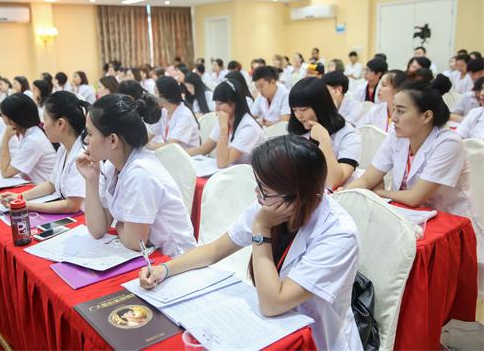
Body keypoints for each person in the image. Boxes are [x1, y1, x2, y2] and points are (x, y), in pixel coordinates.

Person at [139, 135, 362, 351]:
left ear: (298, 195)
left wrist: (261, 229)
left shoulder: (338, 234)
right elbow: (214, 250)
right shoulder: (272, 205)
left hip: (313, 339)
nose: (257, 193)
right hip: (272, 327)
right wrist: (164, 269)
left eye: (264, 188)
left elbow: (273, 303)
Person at [76, 93, 197, 257]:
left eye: (90, 134)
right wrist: (91, 180)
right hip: (150, 256)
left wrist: (119, 224)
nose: (86, 140)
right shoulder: (112, 166)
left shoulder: (139, 173)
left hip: (175, 259)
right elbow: (97, 230)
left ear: (113, 140)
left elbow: (135, 242)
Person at [346, 79, 477, 219]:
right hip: (406, 214)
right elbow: (367, 179)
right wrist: (344, 194)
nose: (394, 118)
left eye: (401, 111)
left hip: (450, 218)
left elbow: (414, 198)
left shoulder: (449, 143)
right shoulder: (397, 135)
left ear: (426, 116)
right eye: (394, 109)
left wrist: (379, 193)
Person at [0, 92, 87, 213]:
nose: (43, 125)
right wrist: (20, 197)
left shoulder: (81, 154)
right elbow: (51, 184)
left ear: (60, 123)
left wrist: (27, 205)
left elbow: (72, 205)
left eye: (45, 119)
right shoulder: (63, 148)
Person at [288, 77, 361, 189]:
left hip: (338, 196)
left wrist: (324, 141)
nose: (299, 116)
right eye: (294, 110)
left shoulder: (348, 134)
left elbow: (334, 182)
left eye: (303, 109)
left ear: (320, 106)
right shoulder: (297, 131)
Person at [0, 93, 55, 180]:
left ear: (12, 119)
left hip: (41, 186)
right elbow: (12, 164)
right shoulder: (28, 133)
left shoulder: (32, 141)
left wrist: (6, 138)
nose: (1, 117)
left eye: (2, 115)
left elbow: (5, 172)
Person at [188, 79, 264, 167]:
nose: (216, 108)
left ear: (235, 103)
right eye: (216, 103)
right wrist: (179, 154)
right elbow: (204, 149)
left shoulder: (249, 127)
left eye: (220, 103)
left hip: (249, 173)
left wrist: (224, 129)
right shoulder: (227, 120)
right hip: (232, 171)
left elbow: (222, 163)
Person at [148, 76, 200, 150]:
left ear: (165, 95)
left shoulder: (184, 116)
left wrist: (149, 145)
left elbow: (170, 146)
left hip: (188, 156)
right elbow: (150, 133)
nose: (154, 96)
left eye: (156, 92)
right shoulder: (164, 112)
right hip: (172, 155)